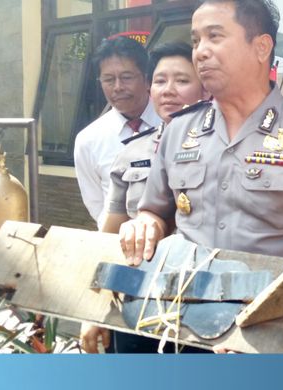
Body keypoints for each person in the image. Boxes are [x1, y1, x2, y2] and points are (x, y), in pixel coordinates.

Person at [119, 0, 283, 268]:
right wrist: (145, 225)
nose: (200, 52)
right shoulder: (179, 129)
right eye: (196, 41)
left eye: (214, 36)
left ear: (261, 47)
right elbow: (155, 212)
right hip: (183, 300)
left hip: (270, 303)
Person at [80, 42, 208, 354]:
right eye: (161, 81)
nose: (169, 91)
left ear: (205, 89)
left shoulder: (223, 149)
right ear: (150, 88)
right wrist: (94, 308)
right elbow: (109, 238)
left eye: (182, 81)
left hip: (205, 304)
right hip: (140, 302)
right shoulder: (132, 152)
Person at [74, 37, 161, 226]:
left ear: (147, 79)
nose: (118, 87)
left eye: (127, 77)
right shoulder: (88, 140)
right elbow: (95, 203)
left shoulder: (173, 124)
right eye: (108, 79)